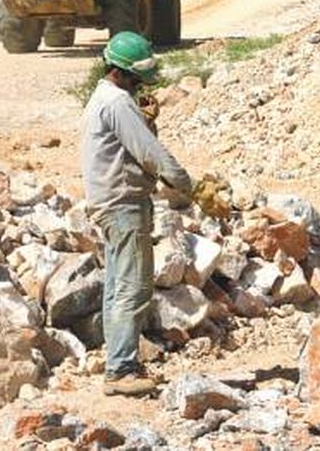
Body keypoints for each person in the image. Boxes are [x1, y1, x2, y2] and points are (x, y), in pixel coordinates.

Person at [81, 31, 193, 397]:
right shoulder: (117, 103)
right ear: (125, 72)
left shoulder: (102, 97)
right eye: (137, 78)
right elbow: (149, 152)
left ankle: (119, 361)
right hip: (123, 204)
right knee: (132, 286)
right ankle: (121, 370)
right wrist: (184, 182)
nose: (141, 85)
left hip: (110, 203)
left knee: (117, 286)